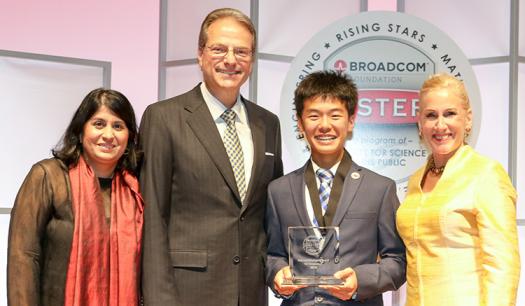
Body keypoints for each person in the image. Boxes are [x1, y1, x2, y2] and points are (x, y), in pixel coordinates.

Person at [139, 8, 283, 306]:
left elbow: (270, 215)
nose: (231, 60)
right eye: (219, 49)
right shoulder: (164, 118)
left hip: (251, 292)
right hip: (186, 292)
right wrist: (158, 299)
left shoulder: (267, 124)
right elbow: (152, 217)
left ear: (252, 60)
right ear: (200, 54)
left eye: (241, 51)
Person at [266, 70, 406, 306]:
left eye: (334, 115)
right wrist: (277, 273)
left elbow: (398, 261)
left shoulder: (380, 189)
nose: (324, 125)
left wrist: (359, 281)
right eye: (313, 116)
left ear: (350, 121)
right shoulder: (278, 191)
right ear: (300, 123)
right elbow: (273, 255)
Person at [7, 88, 144, 306]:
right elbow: (23, 257)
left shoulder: (137, 188)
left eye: (118, 126)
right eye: (99, 124)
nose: (108, 135)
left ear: (129, 137)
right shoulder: (48, 176)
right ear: (80, 132)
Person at [396, 73, 520, 306]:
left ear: (468, 119)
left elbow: (503, 266)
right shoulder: (415, 180)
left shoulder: (486, 174)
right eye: (431, 115)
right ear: (420, 123)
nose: (440, 125)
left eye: (450, 114)